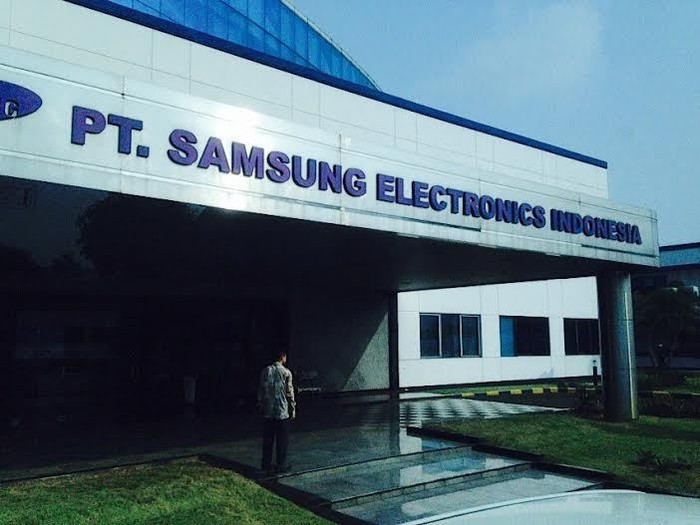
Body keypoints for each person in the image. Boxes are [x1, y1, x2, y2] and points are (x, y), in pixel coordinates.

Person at [257, 350, 296, 475]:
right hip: (282, 411)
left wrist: (261, 404)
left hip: (268, 411)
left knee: (268, 439)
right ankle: (281, 464)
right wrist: (292, 408)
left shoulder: (265, 371)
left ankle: (266, 464)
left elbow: (261, 389)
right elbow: (289, 392)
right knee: (282, 440)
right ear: (283, 357)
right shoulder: (286, 372)